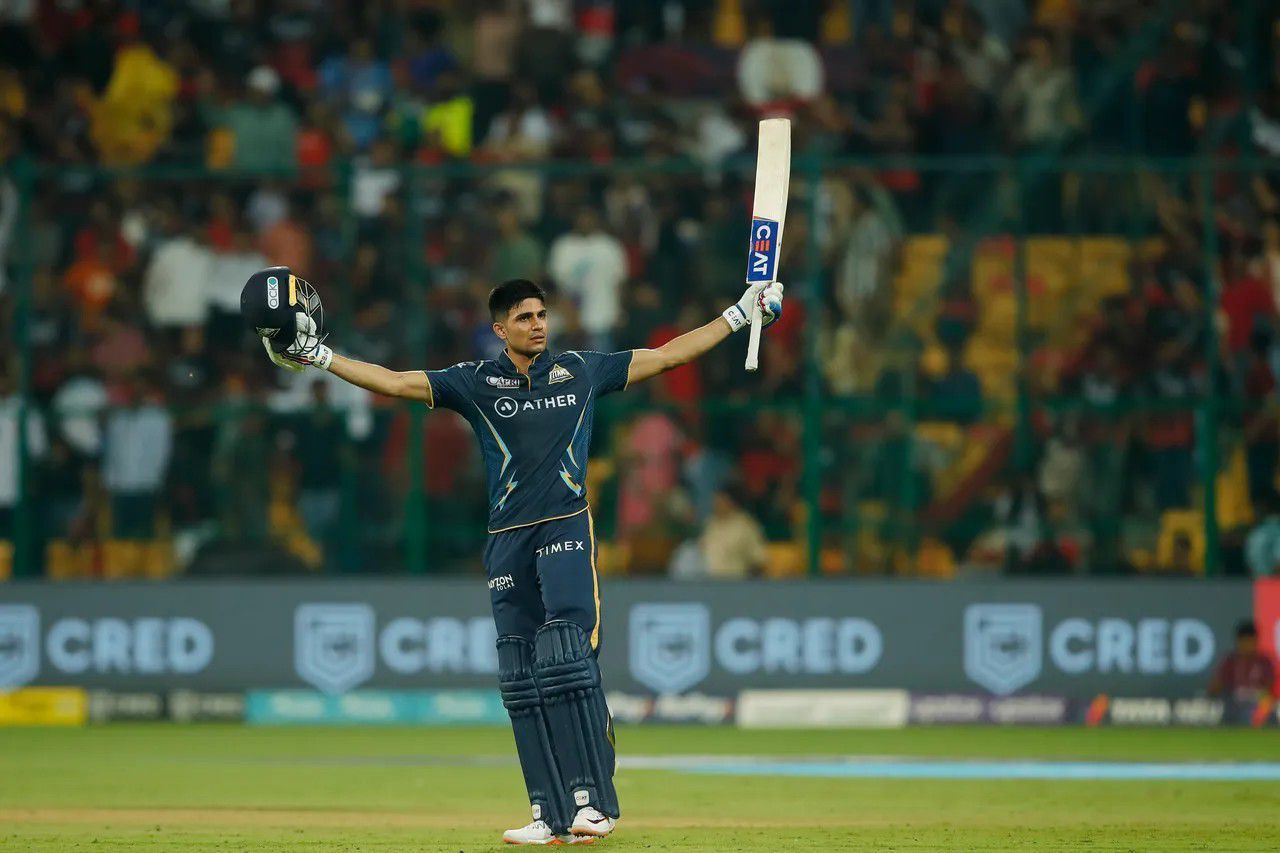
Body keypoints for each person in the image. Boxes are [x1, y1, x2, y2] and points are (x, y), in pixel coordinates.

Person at [242, 268, 783, 845]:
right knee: (520, 674)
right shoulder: (475, 382)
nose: (537, 325)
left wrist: (739, 315)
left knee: (567, 655)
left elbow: (668, 356)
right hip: (507, 536)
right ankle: (547, 812)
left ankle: (593, 803)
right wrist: (321, 356)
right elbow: (396, 383)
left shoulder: (583, 370)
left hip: (565, 524)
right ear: (500, 328)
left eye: (542, 315)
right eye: (523, 318)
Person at [1208, 621, 1276, 702]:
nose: (1247, 646)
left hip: (1258, 706)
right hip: (1234, 706)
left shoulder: (1264, 662)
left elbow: (1271, 688)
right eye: (1244, 642)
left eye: (1250, 641)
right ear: (1238, 641)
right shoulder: (1229, 662)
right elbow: (1214, 688)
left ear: (1256, 641)